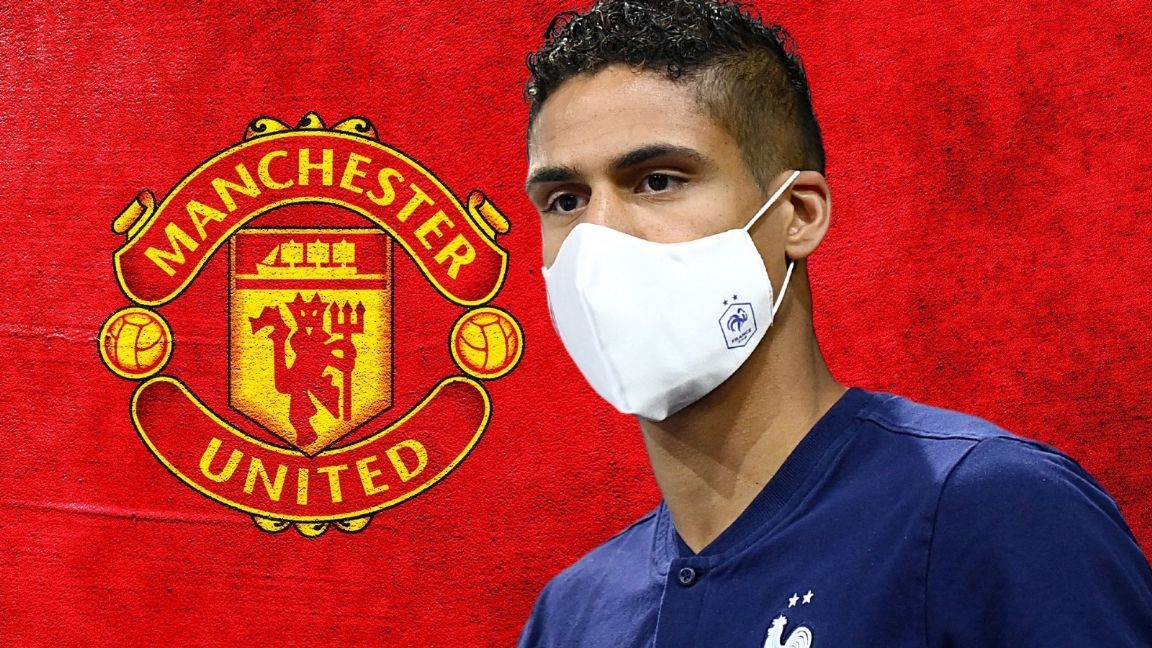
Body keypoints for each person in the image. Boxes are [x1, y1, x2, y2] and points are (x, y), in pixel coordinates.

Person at [516, 0, 1152, 646]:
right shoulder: (572, 616)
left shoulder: (988, 511)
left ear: (797, 213)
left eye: (657, 181)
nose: (598, 238)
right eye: (565, 200)